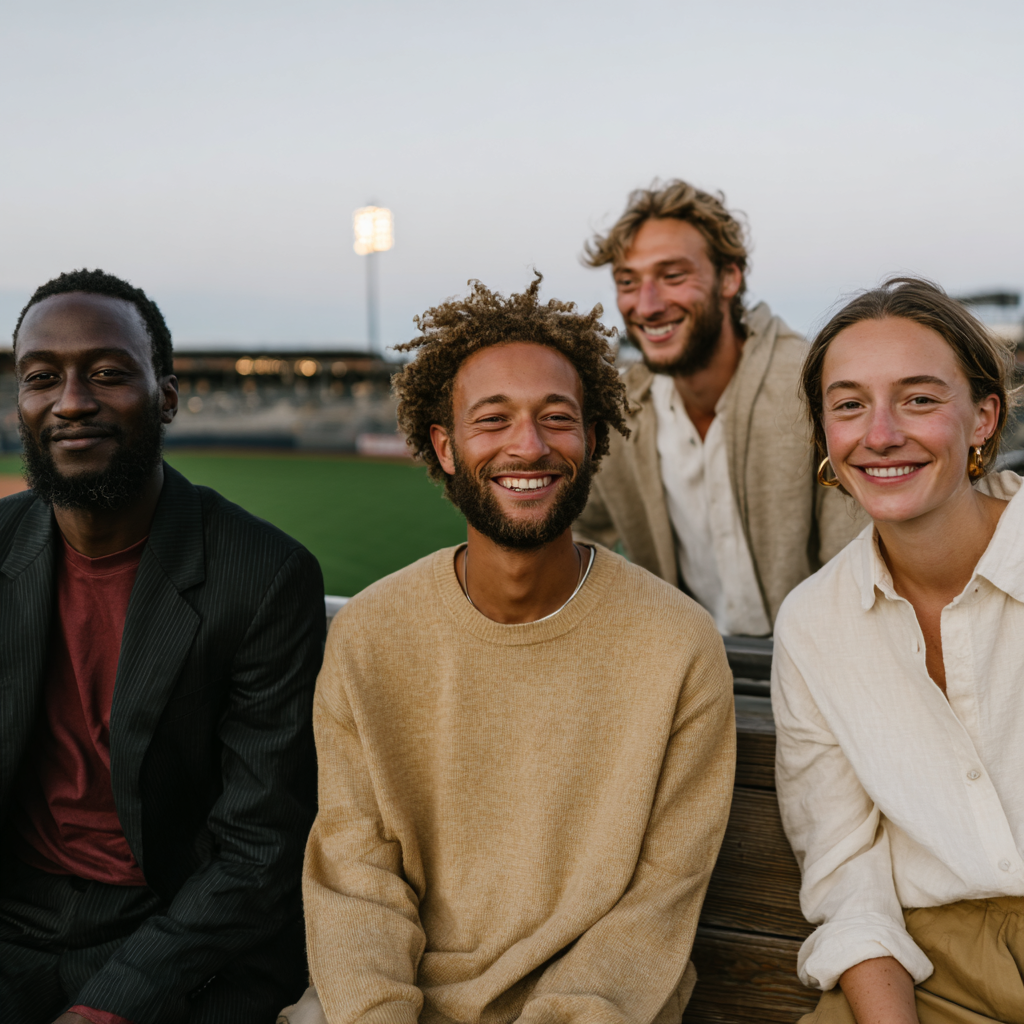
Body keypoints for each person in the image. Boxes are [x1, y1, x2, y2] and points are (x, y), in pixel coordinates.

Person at [293, 277, 736, 1024]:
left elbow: (658, 903)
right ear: (446, 446)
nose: (528, 446)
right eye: (493, 419)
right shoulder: (368, 636)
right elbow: (355, 875)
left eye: (556, 418)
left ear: (592, 438)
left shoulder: (678, 647)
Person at [0, 269, 325, 1024]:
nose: (71, 401)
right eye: (41, 377)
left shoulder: (263, 575)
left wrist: (110, 1006)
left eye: (107, 374)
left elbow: (259, 848)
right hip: (18, 914)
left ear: (167, 396)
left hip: (178, 929)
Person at [772, 277, 1024, 1023]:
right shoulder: (813, 623)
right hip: (935, 965)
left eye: (918, 399)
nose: (880, 435)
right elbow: (846, 874)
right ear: (824, 434)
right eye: (849, 405)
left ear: (983, 418)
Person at [574, 180, 865, 634]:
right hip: (688, 664)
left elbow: (857, 565)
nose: (646, 306)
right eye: (627, 282)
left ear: (729, 278)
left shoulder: (815, 386)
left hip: (815, 659)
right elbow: (578, 531)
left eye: (672, 276)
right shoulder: (622, 411)